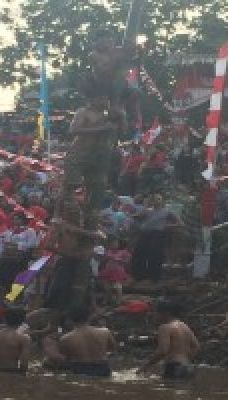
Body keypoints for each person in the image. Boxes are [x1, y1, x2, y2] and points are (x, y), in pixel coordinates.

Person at [65, 84, 119, 228]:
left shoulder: (109, 116)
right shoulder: (83, 112)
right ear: (94, 99)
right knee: (71, 187)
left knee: (96, 189)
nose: (106, 101)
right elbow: (73, 129)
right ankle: (66, 216)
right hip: (78, 154)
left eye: (107, 98)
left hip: (96, 157)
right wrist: (101, 129)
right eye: (102, 98)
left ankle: (89, 218)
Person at [42, 306, 117, 377]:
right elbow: (113, 348)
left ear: (70, 320)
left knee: (47, 362)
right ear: (90, 317)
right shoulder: (105, 331)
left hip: (80, 370)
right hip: (103, 369)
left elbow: (64, 358)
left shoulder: (66, 338)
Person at [137, 299, 200, 379]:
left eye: (156, 313)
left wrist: (145, 366)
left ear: (164, 313)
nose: (155, 316)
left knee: (169, 390)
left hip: (174, 367)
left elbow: (162, 351)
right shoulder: (184, 326)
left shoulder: (165, 327)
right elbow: (196, 346)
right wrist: (185, 360)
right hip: (188, 367)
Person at [130, 194, 182, 283]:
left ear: (162, 201)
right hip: (145, 233)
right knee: (138, 253)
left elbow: (180, 223)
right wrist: (146, 206)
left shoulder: (167, 211)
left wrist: (166, 226)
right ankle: (138, 276)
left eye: (158, 199)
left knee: (155, 255)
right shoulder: (147, 210)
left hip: (157, 234)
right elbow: (136, 217)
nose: (156, 200)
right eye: (154, 199)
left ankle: (153, 278)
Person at [0, 306, 31, 372]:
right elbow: (24, 364)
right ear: (23, 321)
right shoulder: (24, 338)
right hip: (12, 373)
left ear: (4, 319)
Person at [98, 237, 131, 304]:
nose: (114, 244)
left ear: (119, 244)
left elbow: (127, 262)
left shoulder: (123, 252)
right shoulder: (107, 251)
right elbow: (102, 261)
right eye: (112, 243)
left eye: (116, 243)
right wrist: (105, 258)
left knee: (118, 287)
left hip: (118, 272)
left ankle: (119, 300)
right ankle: (107, 299)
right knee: (107, 288)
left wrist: (117, 260)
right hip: (108, 270)